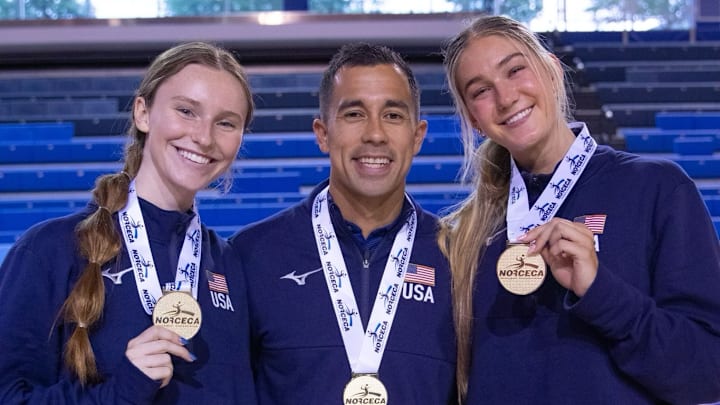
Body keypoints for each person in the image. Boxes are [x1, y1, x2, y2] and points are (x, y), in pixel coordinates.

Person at [438, 14, 720, 404]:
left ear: (552, 71)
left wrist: (599, 291)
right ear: (474, 118)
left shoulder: (656, 188)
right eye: (481, 91)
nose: (505, 98)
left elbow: (706, 371)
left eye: (516, 70)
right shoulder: (467, 233)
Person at [0, 42, 257, 404]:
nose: (204, 136)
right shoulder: (51, 250)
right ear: (143, 112)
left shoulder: (229, 263)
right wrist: (120, 391)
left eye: (226, 123)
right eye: (186, 111)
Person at [229, 42, 456, 404]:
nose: (375, 134)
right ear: (323, 133)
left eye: (393, 115)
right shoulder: (253, 255)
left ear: (418, 137)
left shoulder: (456, 258)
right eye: (354, 114)